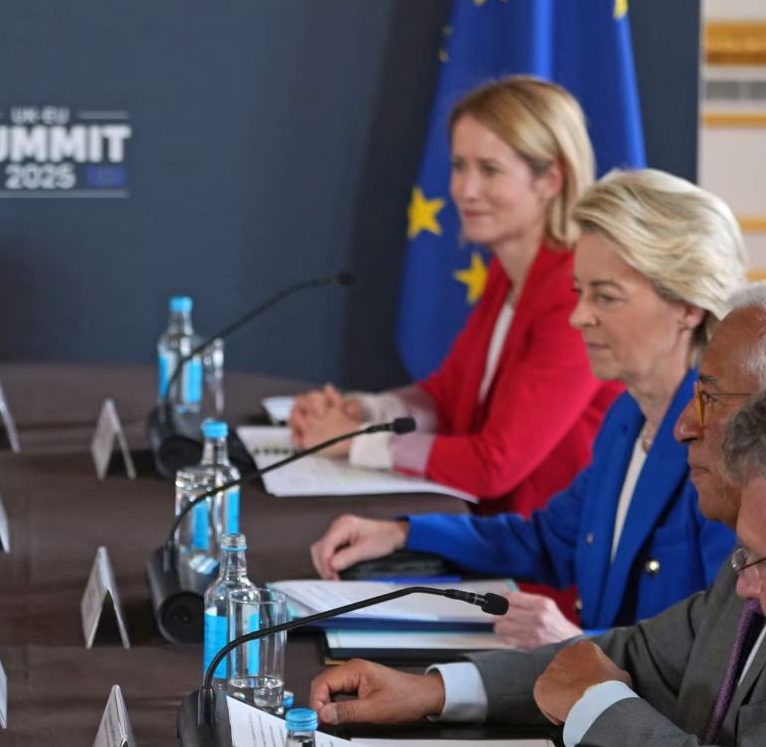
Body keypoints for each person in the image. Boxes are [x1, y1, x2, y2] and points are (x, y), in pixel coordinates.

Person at [307, 287, 766, 746]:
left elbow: (606, 680)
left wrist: (596, 702)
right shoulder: (745, 558)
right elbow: (641, 655)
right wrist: (435, 690)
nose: (683, 427)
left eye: (710, 398)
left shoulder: (739, 534)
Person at [308, 170, 744, 648]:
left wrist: (575, 644)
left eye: (606, 297)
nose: (579, 316)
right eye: (579, 293)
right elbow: (547, 541)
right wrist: (404, 534)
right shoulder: (626, 419)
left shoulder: (728, 456)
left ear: (687, 307)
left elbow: (721, 651)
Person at [290, 77, 620, 515]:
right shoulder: (509, 270)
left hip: (541, 546)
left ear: (550, 179)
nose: (465, 189)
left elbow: (494, 464)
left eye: (489, 170)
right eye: (459, 166)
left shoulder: (574, 293)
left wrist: (358, 443)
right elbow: (446, 398)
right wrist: (363, 413)